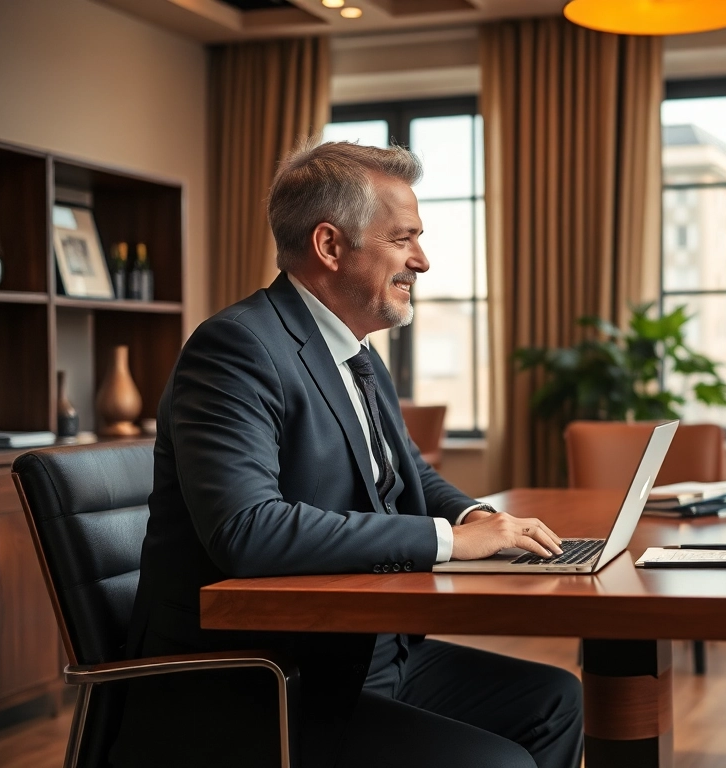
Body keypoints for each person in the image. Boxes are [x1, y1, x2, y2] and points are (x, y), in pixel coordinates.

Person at [113, 141, 583, 768]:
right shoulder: (235, 348)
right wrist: (445, 540)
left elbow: (406, 471)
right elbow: (246, 529)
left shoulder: (355, 350)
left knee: (556, 699)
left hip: (363, 650)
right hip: (269, 677)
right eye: (402, 239)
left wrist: (475, 521)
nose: (422, 259)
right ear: (330, 247)